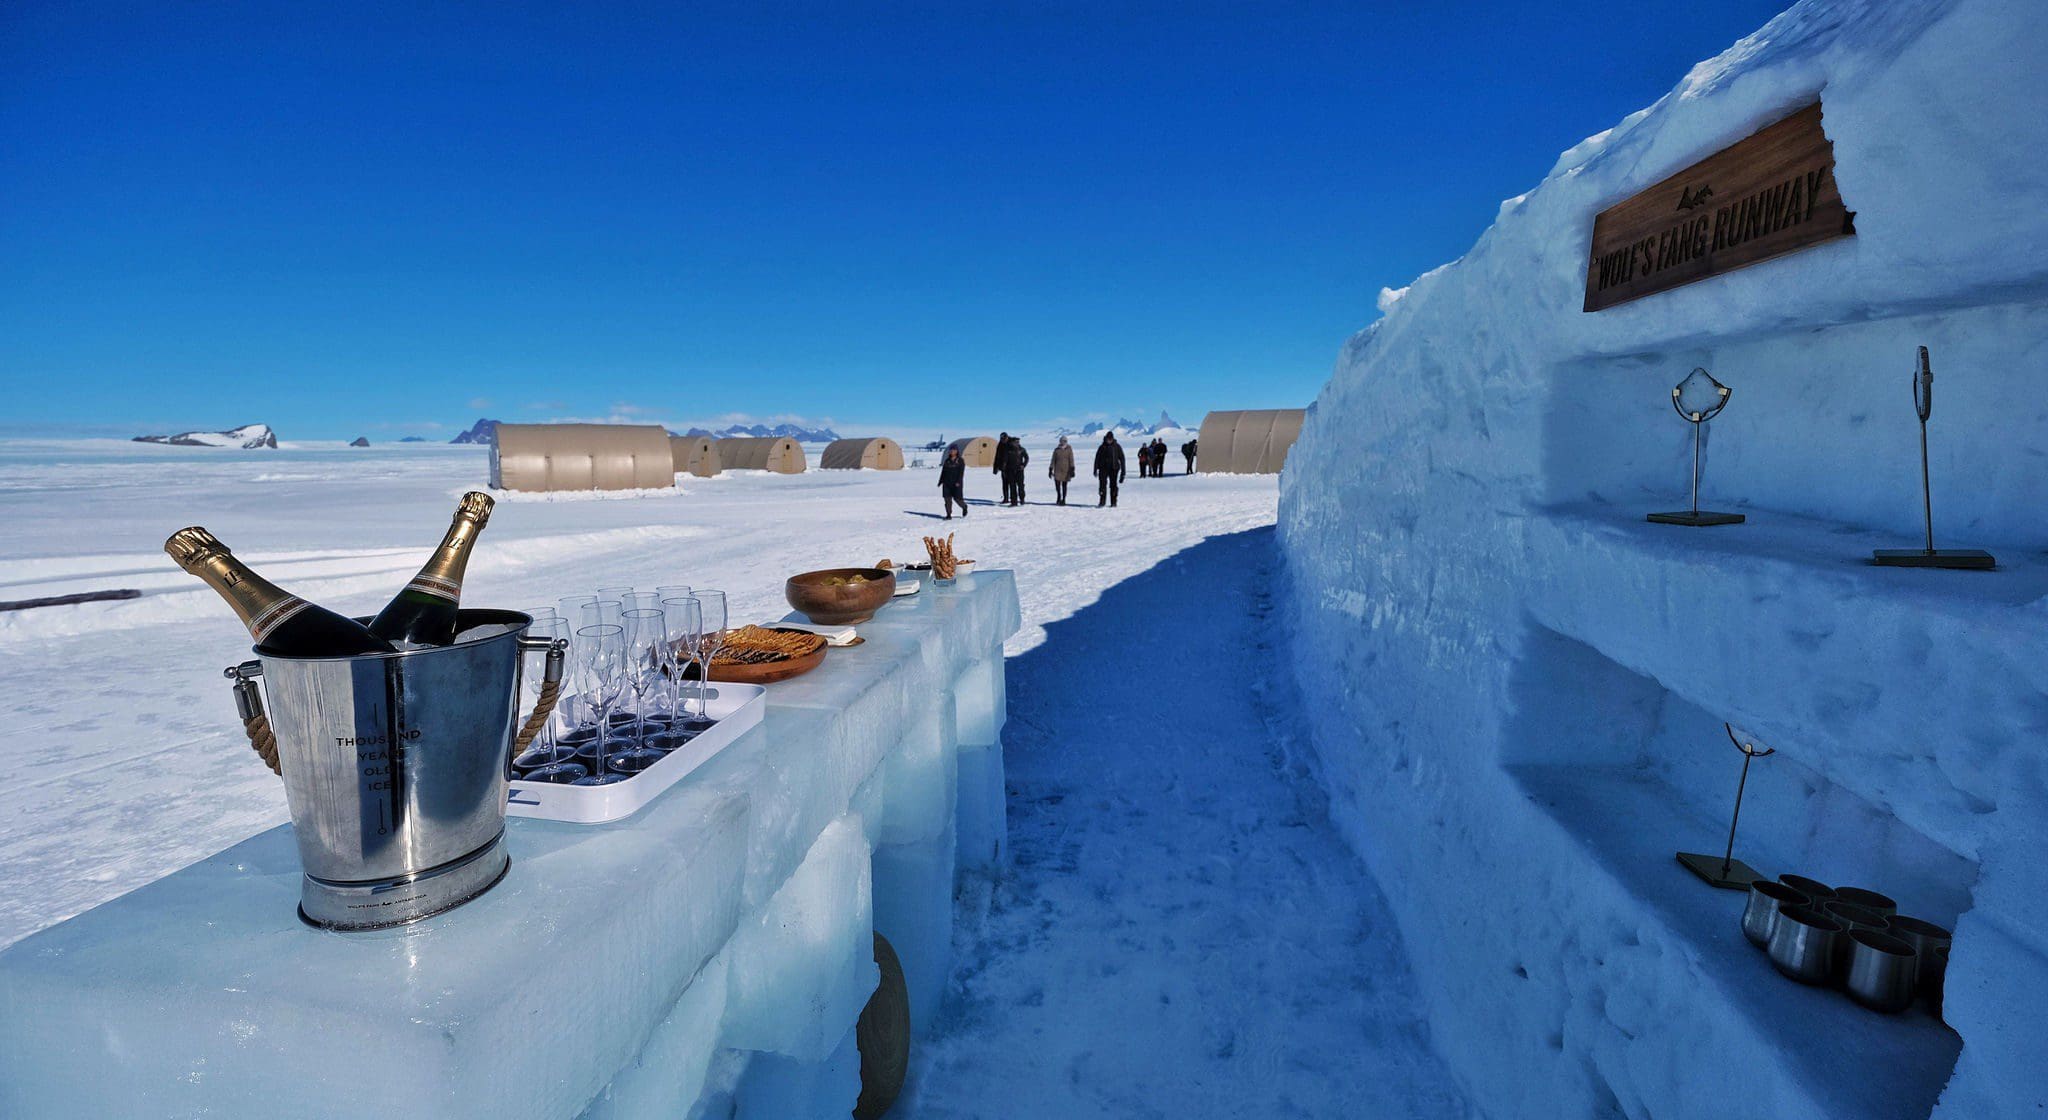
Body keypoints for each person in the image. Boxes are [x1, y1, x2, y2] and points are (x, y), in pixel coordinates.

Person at [1094, 431, 1126, 507]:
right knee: (1102, 485)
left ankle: (1114, 502)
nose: (1109, 441)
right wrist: (1095, 469)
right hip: (1103, 469)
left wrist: (1123, 472)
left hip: (1114, 469)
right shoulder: (1102, 447)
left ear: (1113, 439)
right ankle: (1102, 501)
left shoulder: (1117, 447)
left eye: (1110, 439)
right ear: (1106, 439)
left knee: (1113, 486)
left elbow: (1122, 458)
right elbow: (1097, 458)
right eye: (1108, 439)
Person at [938, 445, 968, 519]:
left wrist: (958, 481)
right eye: (951, 450)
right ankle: (948, 514)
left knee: (957, 499)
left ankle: (964, 507)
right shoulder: (947, 461)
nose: (952, 451)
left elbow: (961, 472)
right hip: (946, 483)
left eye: (954, 450)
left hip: (956, 483)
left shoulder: (960, 461)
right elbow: (943, 472)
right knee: (947, 499)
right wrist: (941, 481)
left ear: (957, 451)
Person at [1049, 435, 1075, 505]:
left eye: (1064, 441)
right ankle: (1059, 496)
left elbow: (1071, 459)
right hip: (1057, 470)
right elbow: (1053, 460)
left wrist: (1072, 469)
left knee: (1064, 485)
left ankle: (1063, 499)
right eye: (1062, 441)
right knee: (1057, 485)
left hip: (1066, 470)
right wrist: (1050, 469)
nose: (1063, 442)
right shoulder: (1056, 450)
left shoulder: (1069, 449)